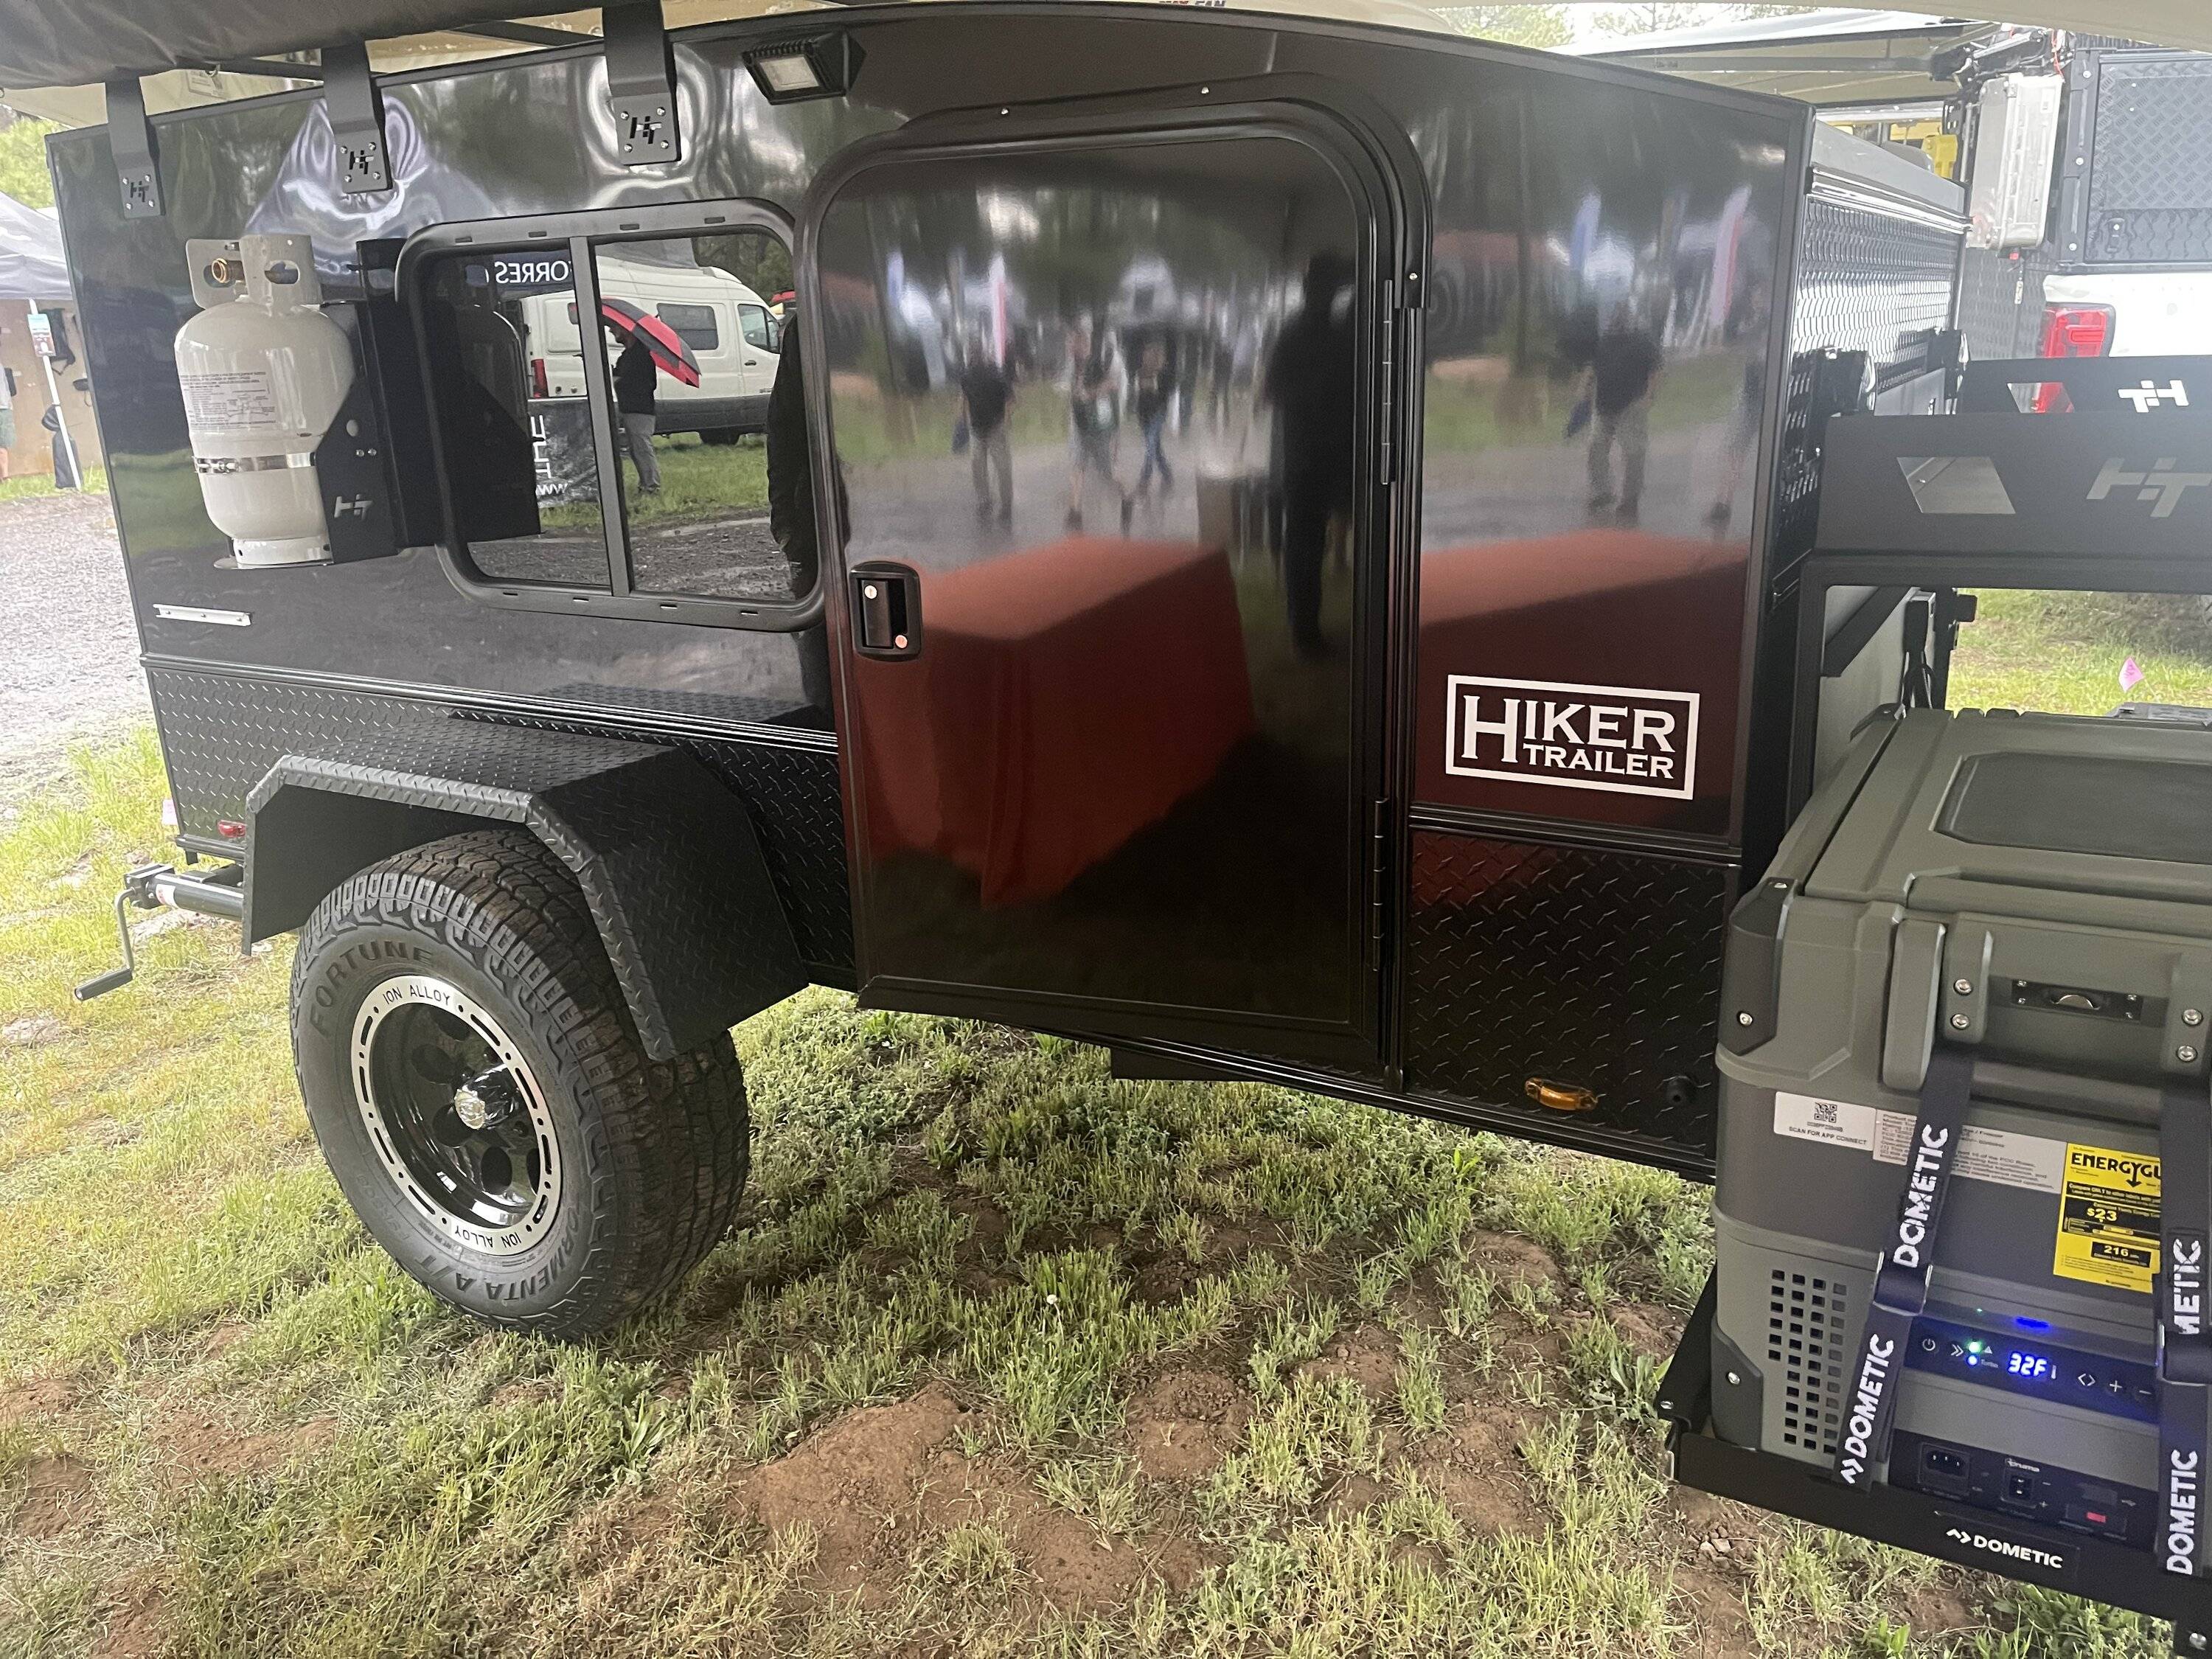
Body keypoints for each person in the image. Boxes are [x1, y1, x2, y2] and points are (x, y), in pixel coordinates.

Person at [1264, 251, 1355, 659]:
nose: (1332, 295)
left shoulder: (1333, 334)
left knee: (1311, 544)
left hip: (1325, 453)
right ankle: (1304, 632)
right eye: (1329, 287)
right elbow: (1273, 389)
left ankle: (1307, 628)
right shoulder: (1300, 334)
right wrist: (1312, 394)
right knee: (1305, 544)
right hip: (1306, 456)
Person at [1584, 309, 1660, 524]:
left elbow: (1655, 370)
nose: (1618, 321)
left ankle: (1630, 499)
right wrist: (1586, 388)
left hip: (1631, 405)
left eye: (1622, 317)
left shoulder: (1642, 342)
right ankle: (1602, 492)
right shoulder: (1604, 342)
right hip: (1604, 406)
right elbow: (1594, 368)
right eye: (1615, 317)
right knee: (1596, 446)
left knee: (1634, 451)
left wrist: (1648, 396)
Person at [1064, 319, 1132, 535]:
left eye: (1072, 341)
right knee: (1077, 466)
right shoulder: (1074, 362)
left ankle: (1126, 497)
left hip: (1099, 426)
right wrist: (1073, 393)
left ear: (1083, 341)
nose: (1068, 345)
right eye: (1069, 341)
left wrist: (1089, 394)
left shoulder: (1103, 358)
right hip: (1080, 424)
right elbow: (1074, 387)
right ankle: (1075, 512)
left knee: (1108, 471)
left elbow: (1113, 385)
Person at [960, 338, 1014, 524]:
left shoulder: (994, 373)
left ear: (980, 354)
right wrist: (963, 416)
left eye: (974, 352)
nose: (973, 356)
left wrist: (1007, 418)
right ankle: (987, 501)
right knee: (983, 467)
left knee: (999, 468)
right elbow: (965, 396)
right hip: (978, 428)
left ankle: (1004, 506)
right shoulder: (967, 375)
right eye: (972, 353)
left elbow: (1010, 398)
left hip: (994, 427)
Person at [610, 327, 661, 495]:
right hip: (630, 407)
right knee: (636, 449)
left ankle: (652, 486)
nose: (611, 331)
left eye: (615, 328)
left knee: (642, 448)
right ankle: (646, 484)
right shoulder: (627, 355)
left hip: (640, 409)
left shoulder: (641, 356)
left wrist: (620, 382)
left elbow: (647, 384)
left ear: (627, 331)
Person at [1133, 338, 1174, 498]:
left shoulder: (1165, 373)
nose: (1147, 358)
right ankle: (1167, 474)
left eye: (1151, 355)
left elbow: (1166, 394)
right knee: (1155, 448)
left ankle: (1144, 480)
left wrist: (1154, 385)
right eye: (1146, 355)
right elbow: (1139, 394)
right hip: (1144, 414)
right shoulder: (1141, 371)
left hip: (1158, 413)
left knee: (1150, 446)